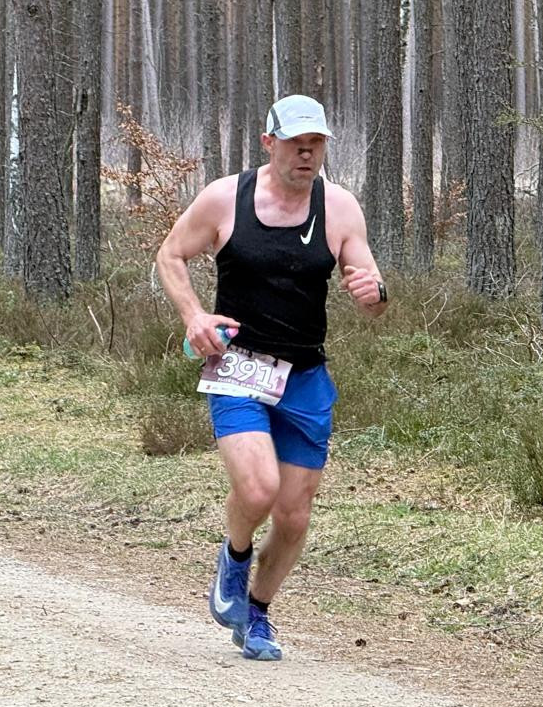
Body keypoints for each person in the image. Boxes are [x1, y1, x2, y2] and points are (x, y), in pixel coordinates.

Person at [155, 95, 388, 660]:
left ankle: (256, 614)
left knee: (293, 514)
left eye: (317, 145)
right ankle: (233, 561)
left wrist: (373, 294)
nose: (307, 154)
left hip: (305, 375)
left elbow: (374, 292)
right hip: (238, 365)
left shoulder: (339, 208)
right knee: (258, 488)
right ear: (269, 144)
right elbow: (170, 255)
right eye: (296, 144)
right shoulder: (224, 198)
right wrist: (195, 316)